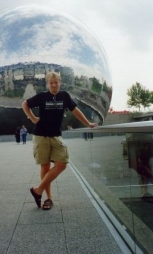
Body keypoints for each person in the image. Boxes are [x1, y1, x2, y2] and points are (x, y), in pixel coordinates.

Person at [22, 72, 98, 210]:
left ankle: (37, 190)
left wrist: (88, 123)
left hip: (56, 136)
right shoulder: (42, 96)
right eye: (51, 82)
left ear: (60, 82)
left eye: (56, 82)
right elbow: (25, 104)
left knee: (62, 164)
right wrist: (32, 118)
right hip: (41, 136)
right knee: (44, 167)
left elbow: (75, 110)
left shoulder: (64, 96)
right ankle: (48, 198)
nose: (54, 84)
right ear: (47, 84)